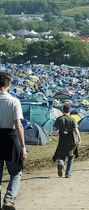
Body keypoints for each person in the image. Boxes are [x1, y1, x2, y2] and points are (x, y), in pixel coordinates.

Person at [0, 72, 27, 210]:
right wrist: (23, 146)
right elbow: (18, 125)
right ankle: (9, 200)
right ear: (8, 84)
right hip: (11, 138)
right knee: (16, 172)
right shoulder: (14, 101)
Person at [52, 103, 81, 178]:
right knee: (71, 156)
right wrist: (79, 139)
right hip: (70, 140)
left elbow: (54, 129)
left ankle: (61, 163)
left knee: (61, 155)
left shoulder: (59, 118)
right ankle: (68, 173)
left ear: (62, 110)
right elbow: (76, 130)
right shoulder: (72, 119)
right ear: (69, 110)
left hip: (62, 140)